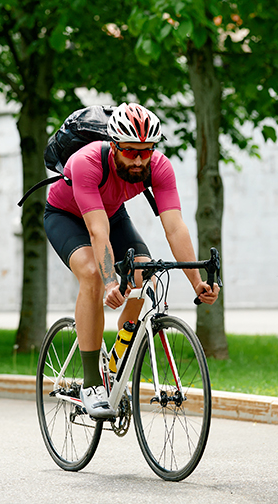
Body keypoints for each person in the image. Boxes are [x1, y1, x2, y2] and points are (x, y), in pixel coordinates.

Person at [43, 102, 220, 419]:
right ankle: (91, 382)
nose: (139, 160)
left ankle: (115, 361)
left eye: (146, 150)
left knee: (146, 275)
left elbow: (175, 227)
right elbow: (98, 232)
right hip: (66, 216)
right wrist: (111, 279)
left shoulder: (159, 167)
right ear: (113, 146)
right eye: (129, 151)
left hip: (112, 214)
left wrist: (198, 282)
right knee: (92, 276)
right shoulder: (86, 162)